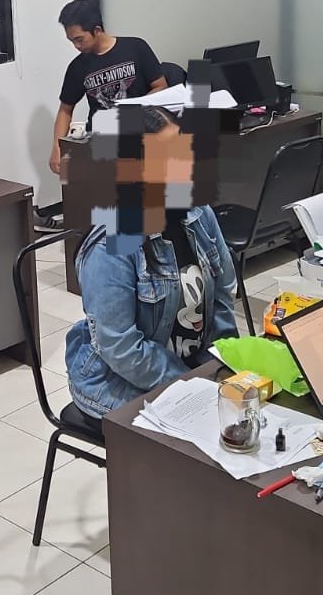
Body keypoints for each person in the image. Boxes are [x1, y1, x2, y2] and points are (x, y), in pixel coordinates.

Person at [64, 106, 236, 421]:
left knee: (246, 414)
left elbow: (224, 293)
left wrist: (227, 365)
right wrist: (191, 384)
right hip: (118, 382)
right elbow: (120, 348)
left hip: (191, 368)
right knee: (207, 431)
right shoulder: (110, 246)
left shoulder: (199, 212)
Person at [49, 0, 167, 176]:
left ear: (97, 30)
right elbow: (65, 111)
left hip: (142, 134)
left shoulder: (135, 48)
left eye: (79, 39)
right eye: (72, 41)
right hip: (103, 142)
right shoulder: (77, 67)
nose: (76, 46)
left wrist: (136, 108)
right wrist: (57, 148)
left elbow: (161, 87)